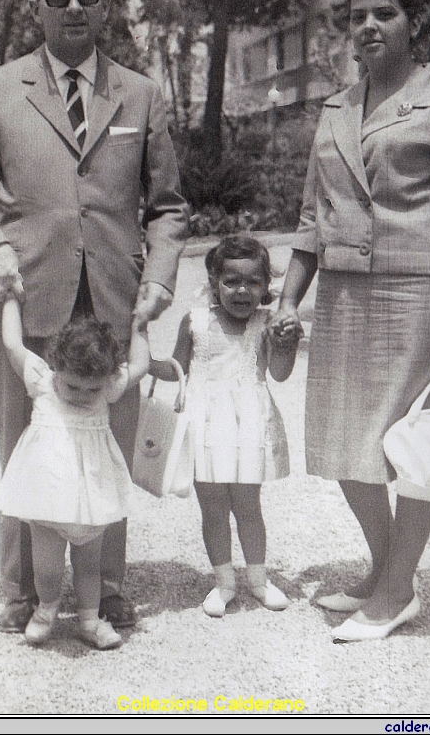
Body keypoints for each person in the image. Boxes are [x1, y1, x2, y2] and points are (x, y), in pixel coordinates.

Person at [0, 0, 188, 633]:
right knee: (25, 440)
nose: (74, 6)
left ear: (108, 3)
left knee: (108, 439)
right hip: (26, 290)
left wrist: (160, 278)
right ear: (35, 5)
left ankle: (105, 588)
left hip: (113, 299)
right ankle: (27, 588)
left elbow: (168, 206)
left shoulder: (140, 92)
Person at [270, 0, 430, 641]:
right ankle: (387, 566)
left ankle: (396, 591)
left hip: (418, 293)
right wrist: (288, 298)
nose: (368, 25)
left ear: (410, 21)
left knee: (414, 447)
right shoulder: (336, 108)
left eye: (384, 12)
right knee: (344, 445)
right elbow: (313, 214)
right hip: (341, 293)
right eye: (356, 16)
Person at [151, 235, 300, 617]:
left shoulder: (267, 323)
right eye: (231, 280)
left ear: (266, 286)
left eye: (253, 281)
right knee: (214, 507)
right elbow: (176, 369)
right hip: (203, 424)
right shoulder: (195, 321)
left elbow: (280, 375)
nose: (242, 290)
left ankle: (259, 579)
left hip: (247, 423)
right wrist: (140, 359)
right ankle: (224, 583)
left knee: (248, 504)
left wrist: (285, 345)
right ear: (214, 281)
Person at [0, 298, 149, 649]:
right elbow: (12, 344)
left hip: (90, 493)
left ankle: (89, 619)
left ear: (107, 377)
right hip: (46, 494)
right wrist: (8, 297)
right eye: (73, 387)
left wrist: (141, 323)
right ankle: (45, 610)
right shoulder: (42, 381)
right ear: (57, 367)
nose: (82, 395)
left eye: (91, 388)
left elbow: (139, 364)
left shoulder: (108, 387)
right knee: (47, 566)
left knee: (89, 565)